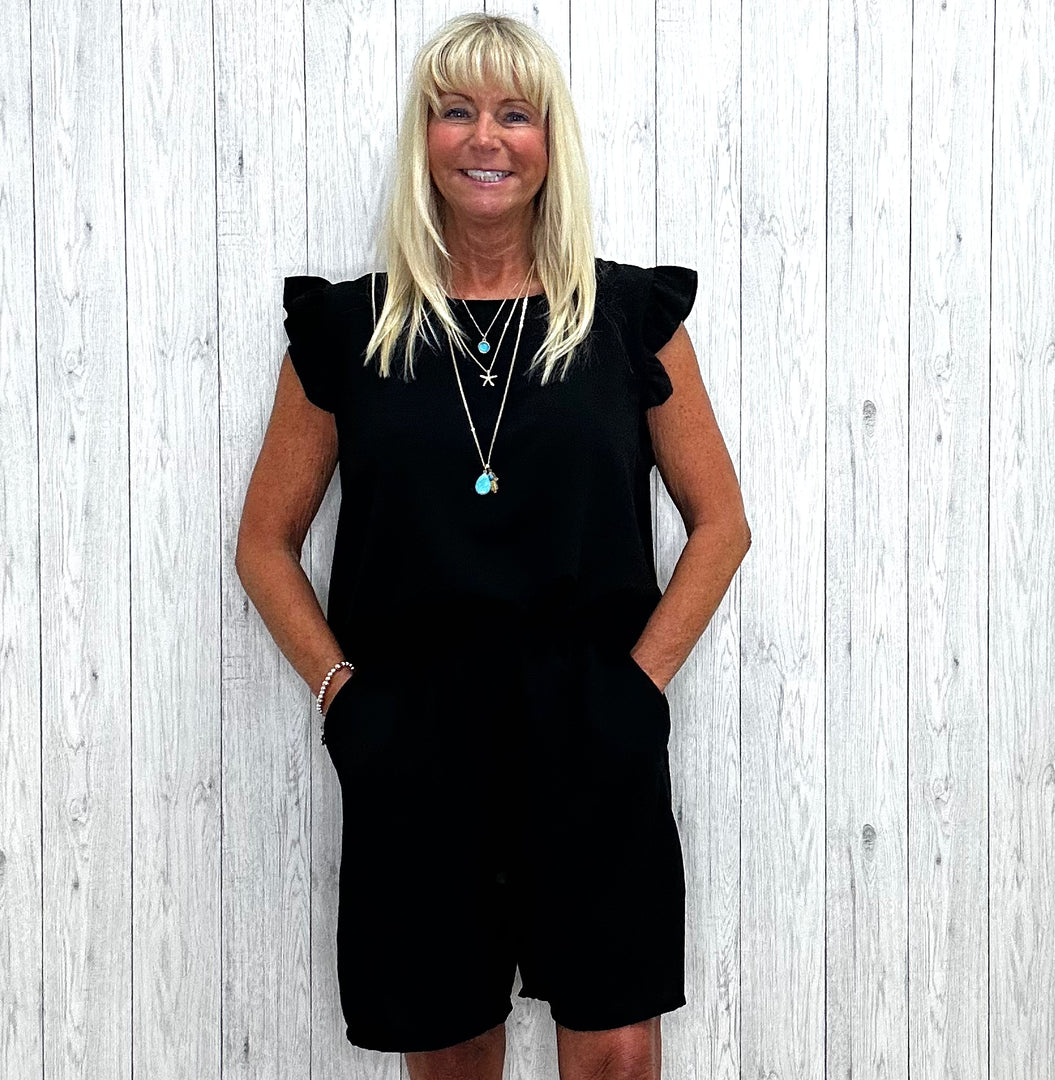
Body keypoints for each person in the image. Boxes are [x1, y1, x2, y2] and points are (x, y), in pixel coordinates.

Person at [236, 12, 750, 1080]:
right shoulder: (351, 332)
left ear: (549, 143)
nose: (485, 138)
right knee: (451, 1055)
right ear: (423, 139)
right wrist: (346, 700)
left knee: (615, 1053)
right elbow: (265, 543)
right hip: (415, 741)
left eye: (515, 114)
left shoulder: (627, 318)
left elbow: (722, 524)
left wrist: (635, 690)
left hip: (592, 730)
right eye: (456, 111)